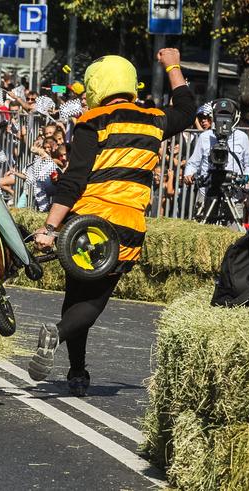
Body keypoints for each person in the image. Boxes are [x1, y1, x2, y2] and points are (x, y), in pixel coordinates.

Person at [27, 49, 196, 396]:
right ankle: (58, 339)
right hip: (124, 227)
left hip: (85, 224)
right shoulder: (153, 119)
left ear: (95, 85)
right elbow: (187, 109)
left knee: (76, 295)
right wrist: (172, 66)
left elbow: (74, 181)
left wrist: (50, 229)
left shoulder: (92, 121)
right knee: (94, 301)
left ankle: (77, 371)